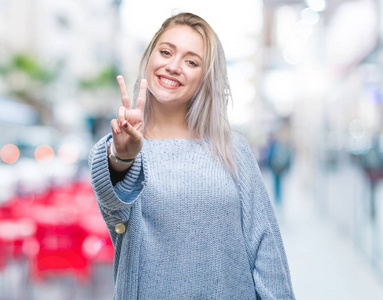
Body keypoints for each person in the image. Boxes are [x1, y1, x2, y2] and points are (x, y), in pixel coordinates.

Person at [89, 12, 295, 300]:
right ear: (150, 58)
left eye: (191, 61)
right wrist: (123, 157)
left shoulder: (232, 149)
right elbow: (115, 209)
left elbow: (265, 248)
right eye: (165, 52)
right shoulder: (122, 148)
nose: (173, 66)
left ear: (204, 77)